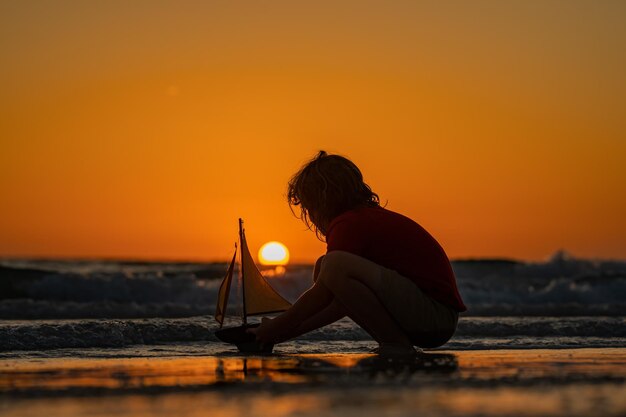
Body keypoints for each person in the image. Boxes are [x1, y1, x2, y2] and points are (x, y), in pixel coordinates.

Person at [249, 151, 466, 357]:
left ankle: (395, 344)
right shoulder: (361, 220)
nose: (311, 218)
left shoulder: (349, 223)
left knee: (333, 265)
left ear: (324, 201)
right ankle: (394, 342)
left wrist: (279, 324)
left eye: (309, 208)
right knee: (326, 266)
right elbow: (340, 302)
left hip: (434, 316)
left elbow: (322, 294)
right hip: (435, 321)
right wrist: (280, 334)